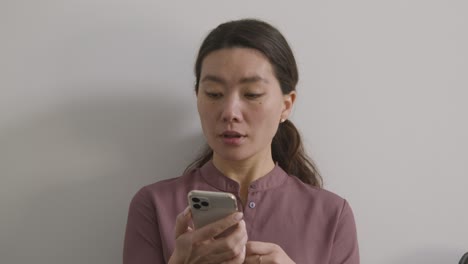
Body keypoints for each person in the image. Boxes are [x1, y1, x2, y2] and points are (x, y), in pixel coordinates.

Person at [123, 18, 359, 264]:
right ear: (197, 97)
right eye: (214, 94)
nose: (230, 112)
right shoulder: (153, 205)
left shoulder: (332, 215)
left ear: (286, 105)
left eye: (252, 94)